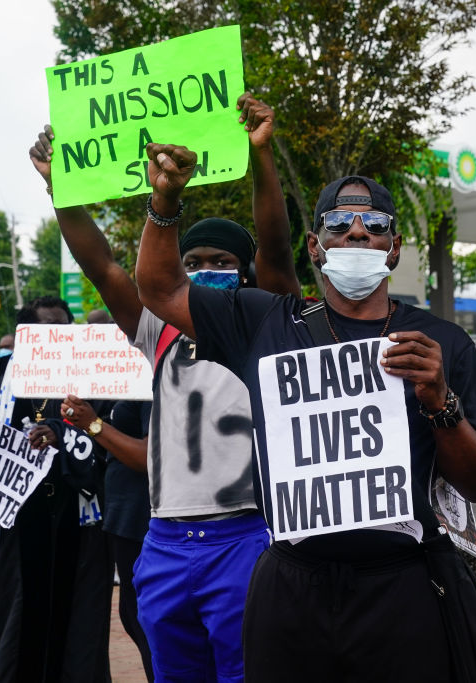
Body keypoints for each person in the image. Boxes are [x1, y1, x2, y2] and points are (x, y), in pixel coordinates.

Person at [134, 145, 476, 680]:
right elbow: (161, 288)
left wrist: (441, 403)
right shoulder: (264, 323)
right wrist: (166, 199)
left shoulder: (441, 343)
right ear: (316, 246)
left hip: (403, 588)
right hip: (292, 585)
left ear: (394, 248)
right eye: (338, 222)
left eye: (374, 224)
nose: (357, 232)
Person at [28, 93, 300, 682]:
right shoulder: (157, 332)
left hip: (247, 534)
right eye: (193, 259)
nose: (205, 269)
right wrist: (60, 192)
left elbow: (277, 251)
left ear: (246, 273)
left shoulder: (270, 323)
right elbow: (103, 267)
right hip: (167, 541)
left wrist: (262, 158)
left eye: (221, 261)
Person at [0, 296, 115, 682]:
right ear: (24, 335)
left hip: (73, 519)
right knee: (10, 623)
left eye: (64, 330)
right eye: (47, 331)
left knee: (78, 627)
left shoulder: (92, 377)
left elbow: (106, 437)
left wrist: (60, 434)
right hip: (12, 523)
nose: (57, 339)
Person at [62, 396, 154, 682]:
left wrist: (94, 425)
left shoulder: (151, 379)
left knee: (149, 623)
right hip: (122, 518)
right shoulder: (124, 379)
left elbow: (147, 456)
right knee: (133, 615)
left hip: (141, 518)